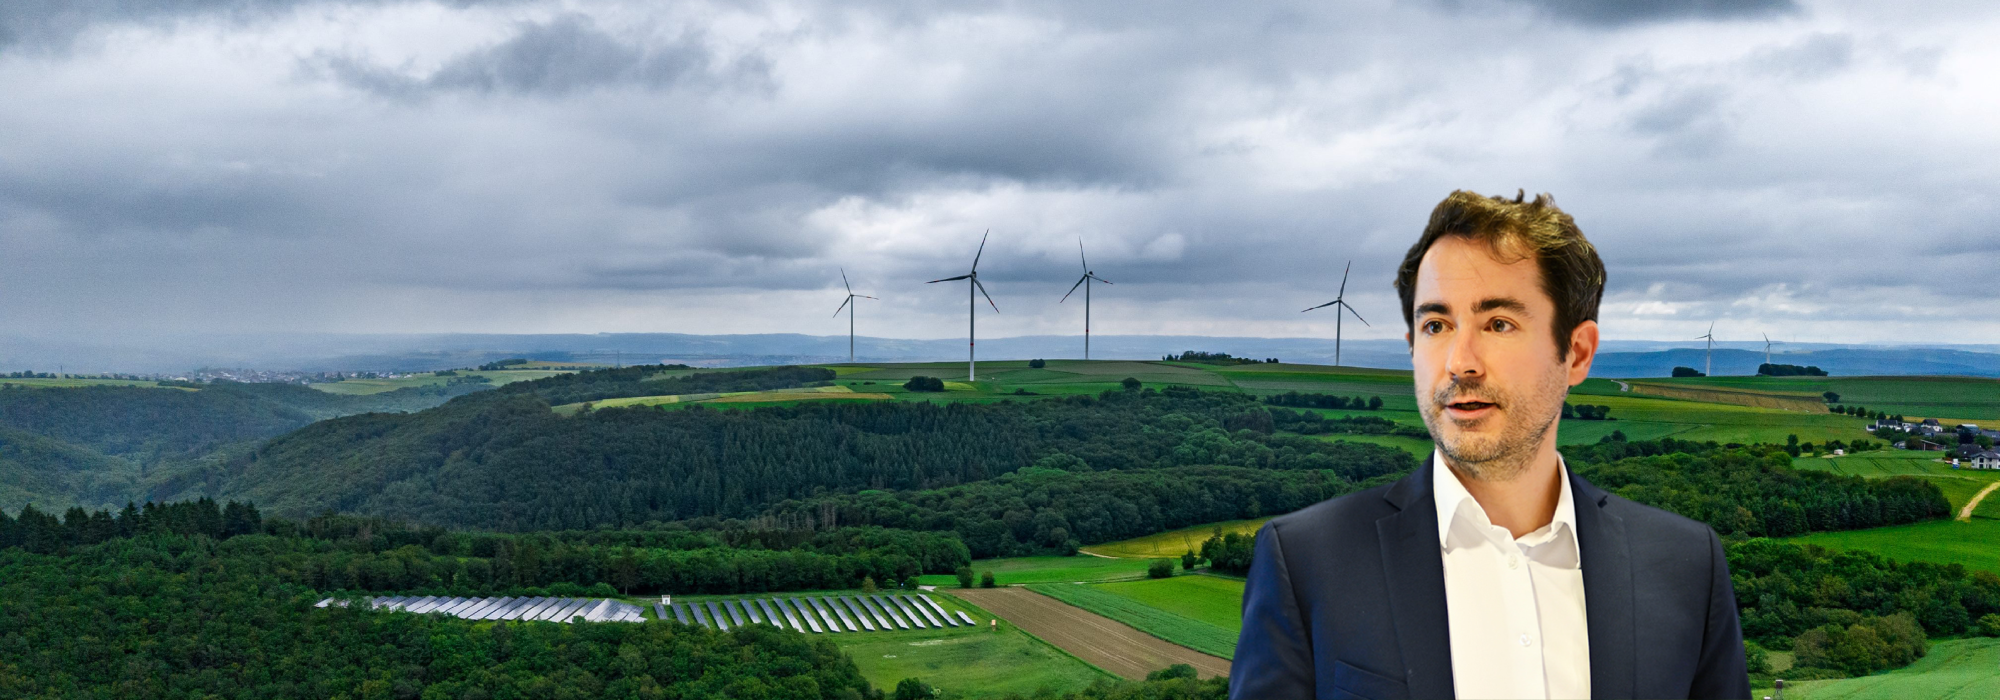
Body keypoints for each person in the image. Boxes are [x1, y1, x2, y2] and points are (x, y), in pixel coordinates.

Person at [1230, 191, 1749, 699]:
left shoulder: (1686, 565)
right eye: (1436, 325)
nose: (1460, 362)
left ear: (1577, 353)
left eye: (1498, 324)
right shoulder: (1307, 561)